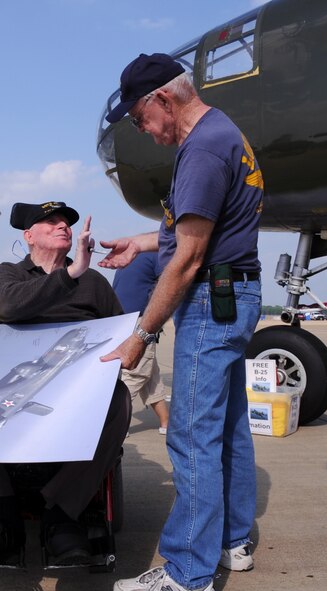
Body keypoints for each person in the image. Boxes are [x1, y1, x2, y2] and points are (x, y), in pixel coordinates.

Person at [100, 53, 263, 591]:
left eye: (139, 118)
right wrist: (140, 241)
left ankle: (187, 571)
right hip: (236, 294)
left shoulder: (202, 150)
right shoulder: (224, 133)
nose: (143, 131)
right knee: (229, 427)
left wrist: (140, 335)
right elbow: (198, 232)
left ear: (162, 100)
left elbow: (188, 260)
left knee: (191, 436)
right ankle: (232, 541)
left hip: (211, 302)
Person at [0, 201, 132, 565]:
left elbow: (120, 334)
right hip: (15, 383)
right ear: (28, 236)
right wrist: (70, 272)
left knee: (119, 399)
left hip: (77, 388)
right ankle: (4, 512)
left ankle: (60, 514)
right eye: (51, 221)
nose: (63, 226)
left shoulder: (94, 283)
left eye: (67, 223)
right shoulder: (10, 274)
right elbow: (7, 308)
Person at [113, 252, 169, 435]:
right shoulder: (160, 255)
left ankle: (166, 422)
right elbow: (168, 286)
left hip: (121, 320)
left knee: (151, 375)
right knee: (136, 374)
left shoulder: (132, 256)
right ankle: (114, 425)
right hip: (140, 322)